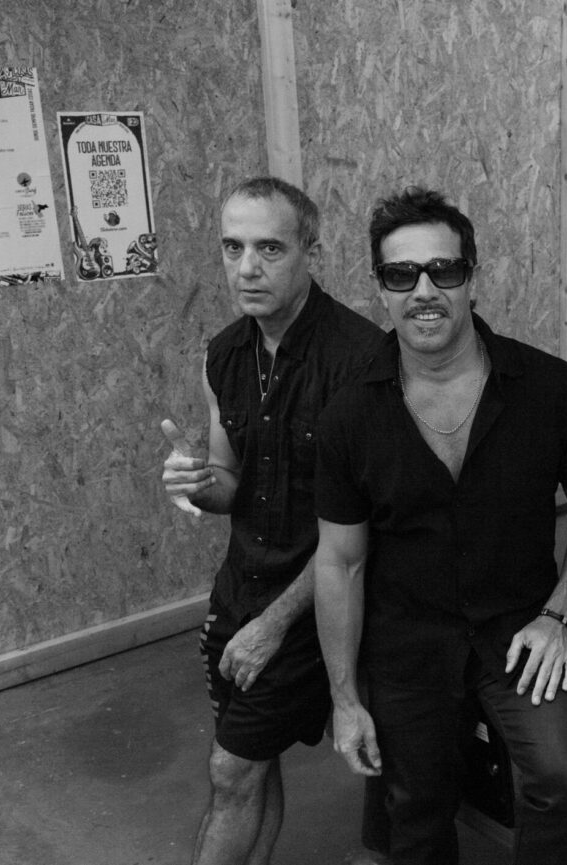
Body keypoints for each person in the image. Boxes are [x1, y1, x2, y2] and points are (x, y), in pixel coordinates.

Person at [313, 185, 567, 865]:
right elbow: (340, 561)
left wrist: (560, 614)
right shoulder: (348, 416)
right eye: (402, 274)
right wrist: (345, 698)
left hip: (523, 626)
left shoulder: (554, 391)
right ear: (381, 289)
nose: (424, 290)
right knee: (416, 808)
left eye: (443, 270)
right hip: (407, 638)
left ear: (472, 278)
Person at [159, 176, 385, 865]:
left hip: (313, 605)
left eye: (270, 248)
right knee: (252, 765)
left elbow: (363, 531)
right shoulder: (224, 354)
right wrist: (198, 484)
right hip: (239, 591)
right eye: (233, 247)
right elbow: (230, 483)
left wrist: (275, 623)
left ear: (310, 252)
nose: (247, 267)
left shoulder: (362, 361)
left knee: (231, 769)